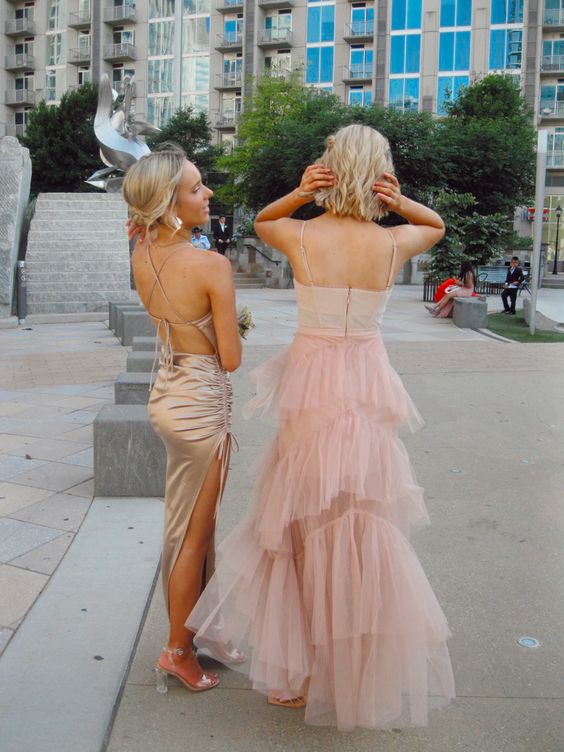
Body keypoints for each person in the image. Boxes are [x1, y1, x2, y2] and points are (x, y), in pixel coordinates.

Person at [188, 124, 455, 730]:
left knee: (300, 526)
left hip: (311, 384)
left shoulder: (302, 234)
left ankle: (301, 674)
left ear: (327, 171)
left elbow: (263, 220)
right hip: (365, 382)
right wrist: (399, 201)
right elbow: (436, 225)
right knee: (359, 523)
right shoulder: (393, 242)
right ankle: (350, 671)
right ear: (379, 175)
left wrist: (301, 192)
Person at [122, 148, 242, 695]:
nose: (208, 193)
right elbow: (231, 357)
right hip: (199, 403)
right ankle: (176, 650)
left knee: (196, 526)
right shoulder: (211, 266)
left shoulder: (141, 251)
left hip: (167, 390)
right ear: (169, 204)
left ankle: (204, 630)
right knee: (192, 535)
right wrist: (230, 322)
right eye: (196, 188)